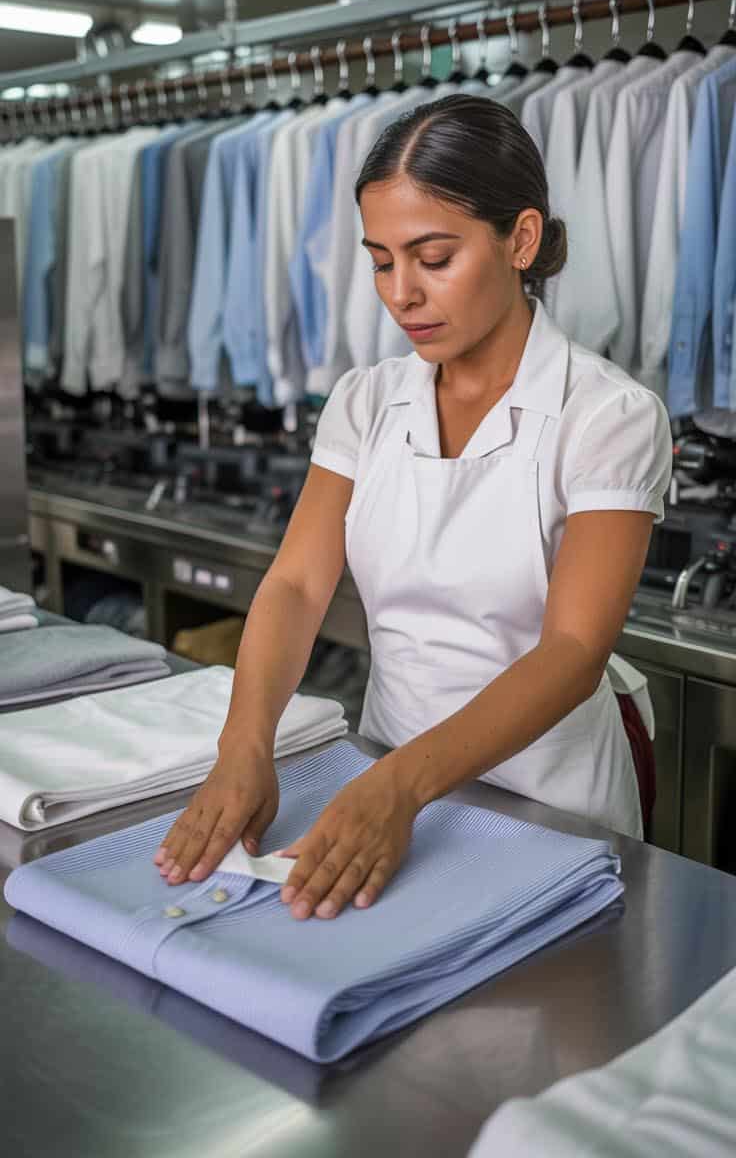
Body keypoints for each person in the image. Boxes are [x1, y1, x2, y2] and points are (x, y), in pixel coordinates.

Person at [154, 94, 672, 921]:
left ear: (522, 240)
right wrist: (244, 743)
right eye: (382, 260)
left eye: (434, 257)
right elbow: (295, 585)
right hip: (386, 775)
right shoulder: (366, 402)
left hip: (549, 804)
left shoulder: (607, 415)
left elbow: (575, 649)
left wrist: (400, 785)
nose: (403, 294)